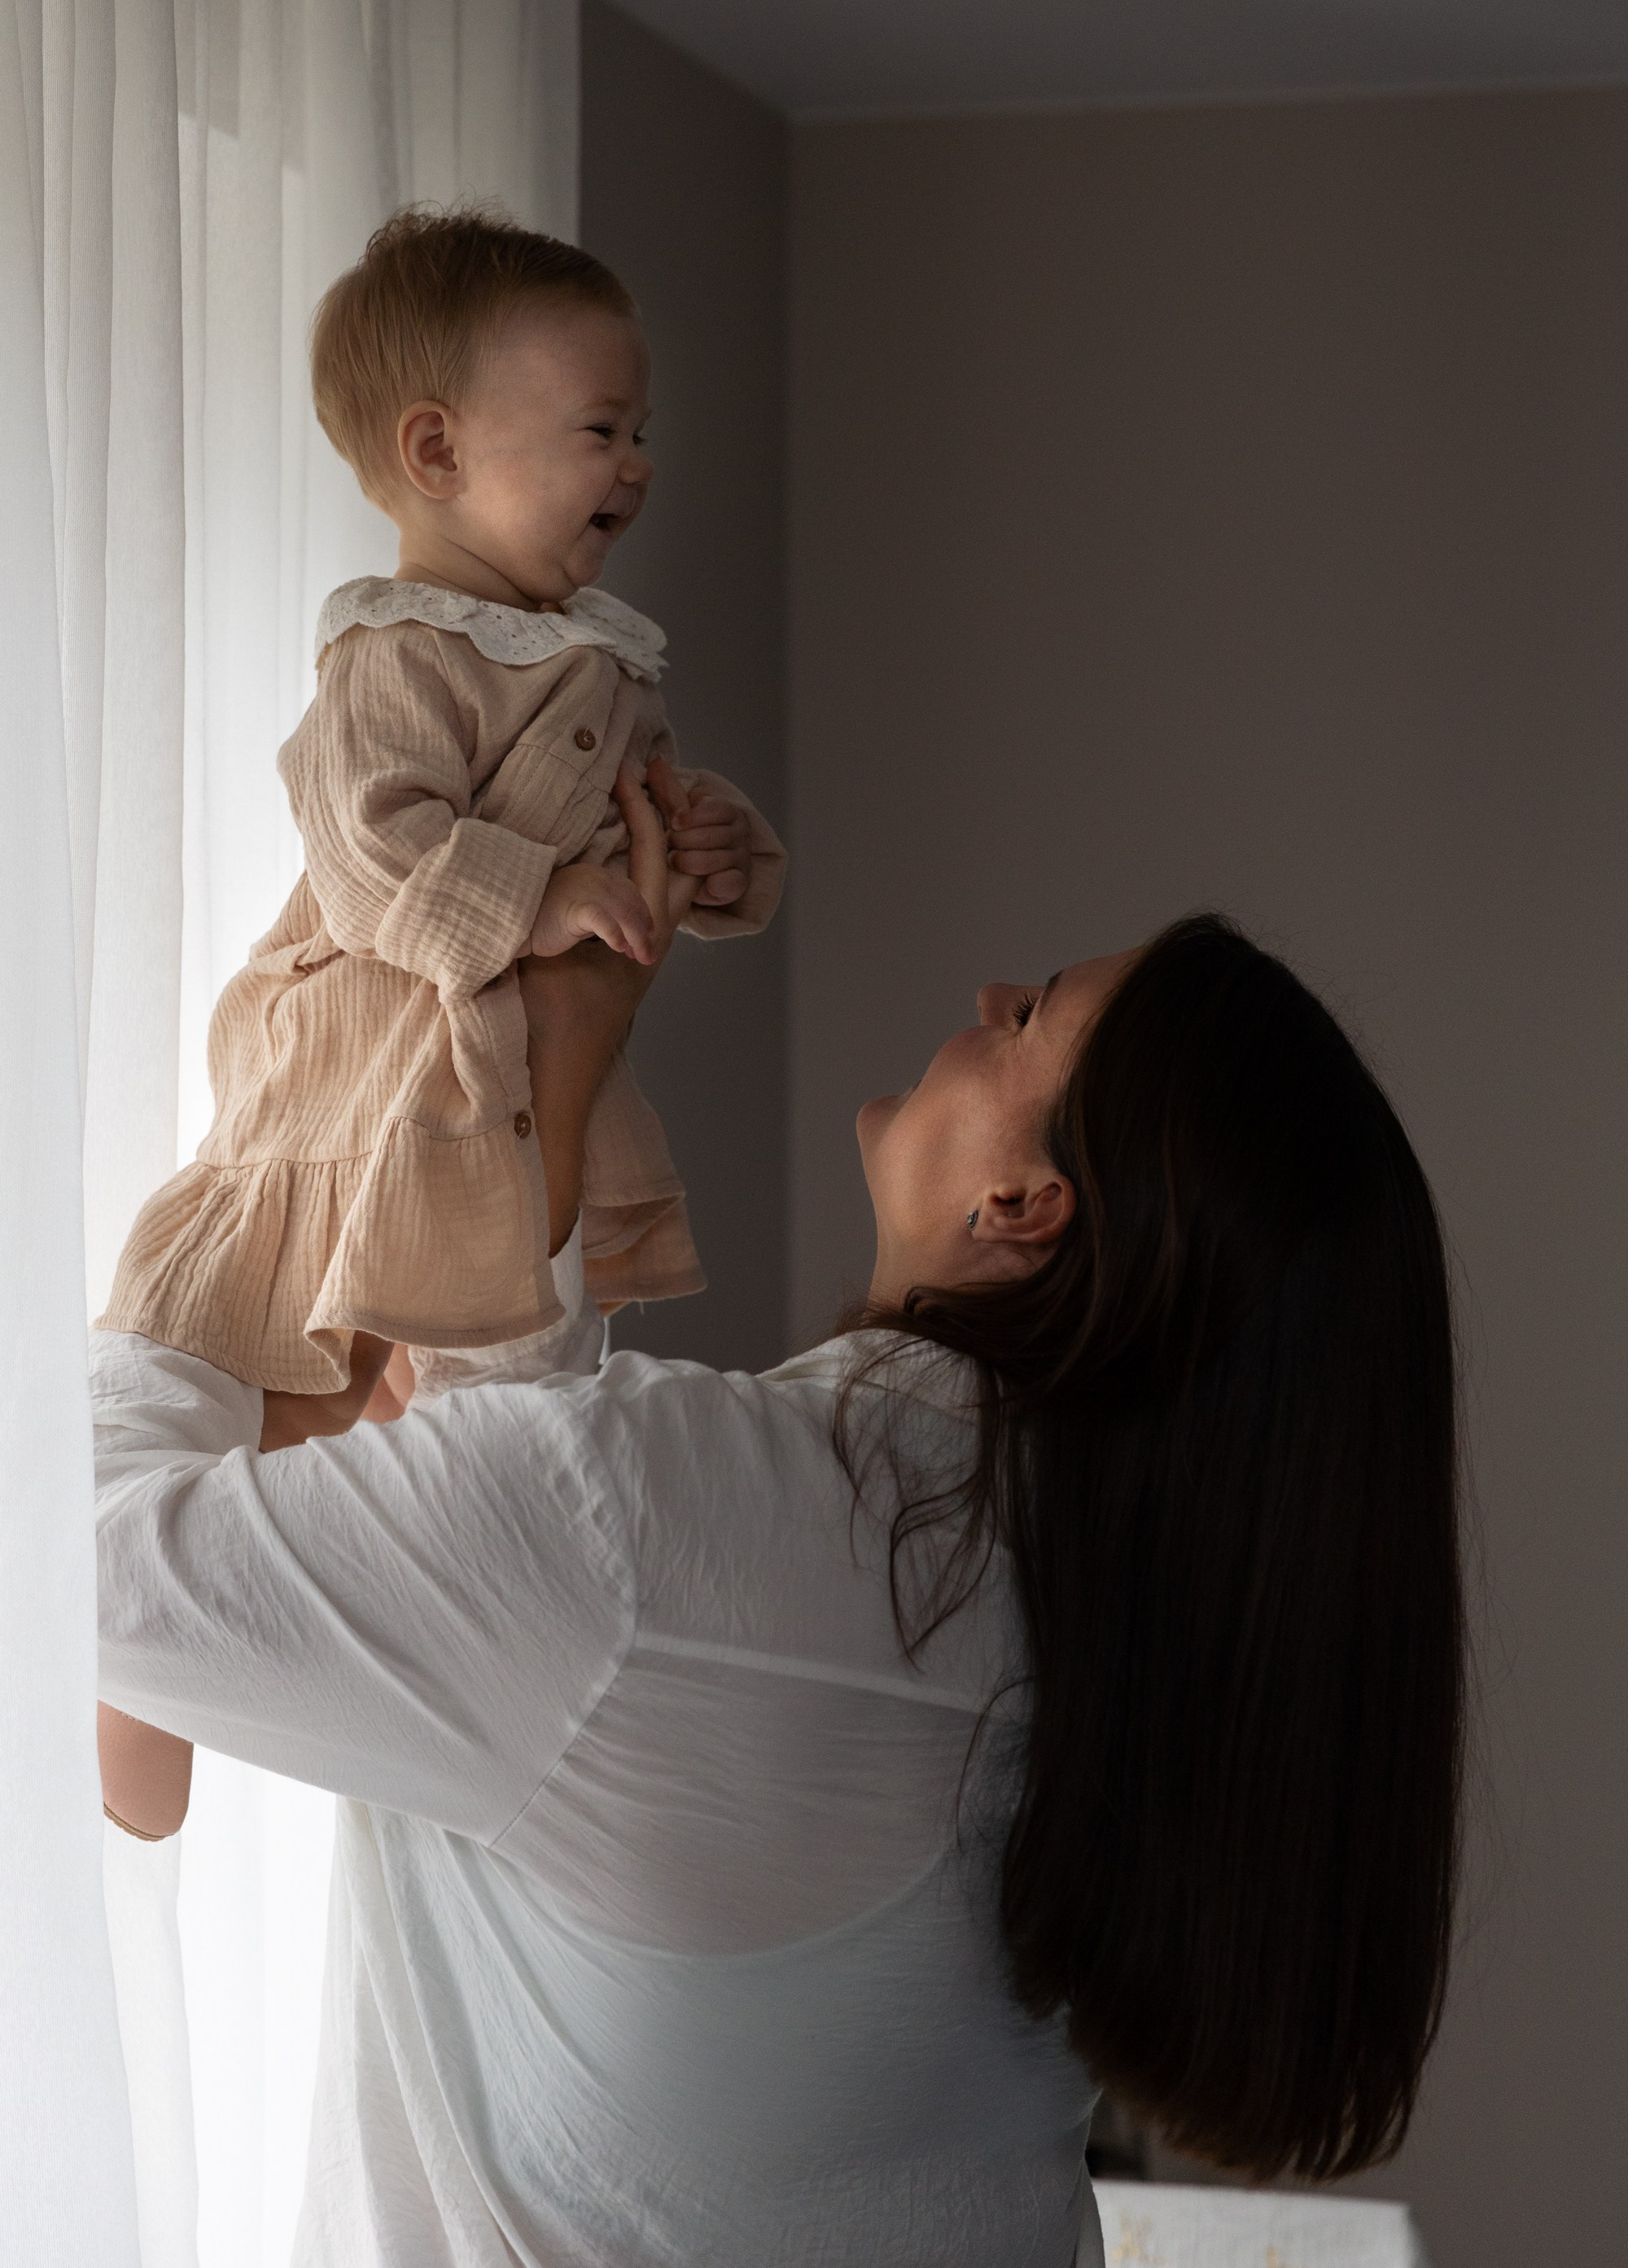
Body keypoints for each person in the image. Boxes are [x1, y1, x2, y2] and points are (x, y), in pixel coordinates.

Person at [94, 770, 1464, 2266]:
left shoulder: (667, 1529)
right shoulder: (1088, 1610)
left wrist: (208, 1250)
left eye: (1030, 1018)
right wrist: (557, 1069)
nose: (992, 993)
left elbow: (97, 1568)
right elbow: (582, 1621)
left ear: (1024, 1203)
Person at [94, 204, 785, 1838]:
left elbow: (641, 831)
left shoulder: (600, 660)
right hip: (349, 1080)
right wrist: (537, 905)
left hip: (508, 1106)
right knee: (208, 1353)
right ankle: (132, 1705)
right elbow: (371, 840)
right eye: (599, 429)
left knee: (492, 1420)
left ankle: (445, 1699)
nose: (636, 463)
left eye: (642, 430)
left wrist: (717, 853)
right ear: (438, 449)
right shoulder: (395, 652)